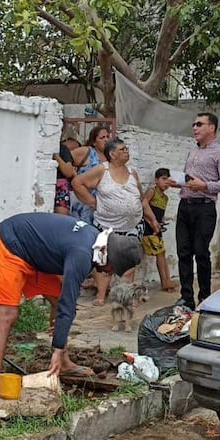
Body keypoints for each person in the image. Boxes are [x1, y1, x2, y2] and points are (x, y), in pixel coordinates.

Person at [0, 213, 142, 389]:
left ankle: (64, 362)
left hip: (35, 252)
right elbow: (68, 304)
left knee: (59, 298)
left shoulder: (94, 239)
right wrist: (57, 348)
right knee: (7, 314)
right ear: (109, 257)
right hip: (11, 243)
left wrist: (58, 346)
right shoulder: (82, 254)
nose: (110, 272)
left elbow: (65, 302)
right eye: (113, 269)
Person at [72, 137, 159, 305]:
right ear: (112, 154)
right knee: (102, 260)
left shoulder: (132, 172)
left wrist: (152, 219)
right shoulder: (101, 170)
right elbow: (77, 183)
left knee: (128, 261)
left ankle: (126, 297)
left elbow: (141, 199)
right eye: (122, 149)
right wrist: (92, 202)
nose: (126, 151)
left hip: (131, 227)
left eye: (126, 149)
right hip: (105, 226)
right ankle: (101, 296)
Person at [175, 112, 220, 310]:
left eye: (199, 124)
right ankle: (186, 298)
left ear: (212, 128)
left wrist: (205, 186)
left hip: (204, 208)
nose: (195, 128)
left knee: (201, 253)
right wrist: (177, 182)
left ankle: (205, 296)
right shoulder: (192, 151)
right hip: (185, 206)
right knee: (183, 252)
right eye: (194, 124)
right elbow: (189, 179)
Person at [141, 168, 177, 292]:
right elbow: (144, 204)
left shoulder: (165, 198)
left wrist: (159, 223)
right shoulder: (152, 191)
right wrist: (152, 221)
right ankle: (165, 282)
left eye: (168, 179)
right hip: (148, 228)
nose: (166, 182)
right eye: (163, 179)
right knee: (160, 253)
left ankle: (166, 281)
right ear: (156, 180)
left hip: (157, 228)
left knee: (162, 253)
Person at [69, 125, 110, 223]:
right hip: (83, 203)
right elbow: (65, 157)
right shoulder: (87, 152)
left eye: (108, 137)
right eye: (102, 138)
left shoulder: (111, 157)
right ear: (94, 142)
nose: (106, 140)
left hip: (102, 208)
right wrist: (73, 174)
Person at [53, 139, 76, 215]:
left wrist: (56, 156)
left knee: (59, 220)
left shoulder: (62, 149)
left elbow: (68, 172)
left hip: (60, 187)